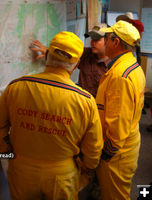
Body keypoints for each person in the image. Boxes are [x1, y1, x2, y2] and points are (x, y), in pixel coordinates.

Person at [0, 31, 103, 200]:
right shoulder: (85, 101)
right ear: (76, 65)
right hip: (62, 174)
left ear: (47, 55)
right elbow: (93, 148)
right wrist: (87, 168)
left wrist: (7, 154)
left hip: (21, 169)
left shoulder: (15, 87)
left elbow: (1, 128)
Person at [96, 20, 146, 200]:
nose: (104, 43)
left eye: (107, 39)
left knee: (115, 196)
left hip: (117, 154)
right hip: (128, 144)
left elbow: (118, 125)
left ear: (116, 43)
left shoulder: (120, 77)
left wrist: (106, 154)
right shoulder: (131, 66)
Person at [31, 23, 110, 97]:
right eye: (92, 39)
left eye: (97, 40)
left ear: (108, 40)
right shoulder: (86, 54)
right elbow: (64, 55)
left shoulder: (114, 64)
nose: (93, 43)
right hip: (81, 102)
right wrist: (49, 51)